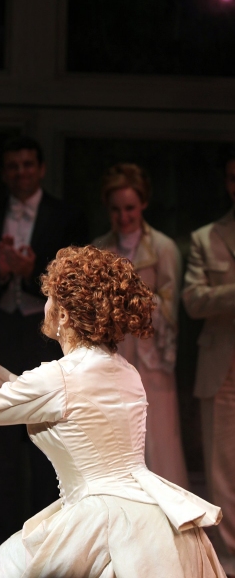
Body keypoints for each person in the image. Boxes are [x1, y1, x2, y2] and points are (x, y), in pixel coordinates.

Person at [0, 245, 225, 578]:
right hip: (147, 513)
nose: (45, 305)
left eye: (49, 298)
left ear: (64, 315)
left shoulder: (62, 376)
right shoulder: (125, 371)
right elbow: (46, 399)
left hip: (98, 518)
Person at [0, 136, 88, 555]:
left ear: (40, 169)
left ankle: (49, 543)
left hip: (47, 336)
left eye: (27, 164)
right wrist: (1, 272)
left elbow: (76, 283)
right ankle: (2, 546)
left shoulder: (66, 215)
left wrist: (33, 269)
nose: (21, 172)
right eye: (13, 166)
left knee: (47, 437)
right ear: (5, 173)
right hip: (0, 330)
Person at [93, 163, 189, 488]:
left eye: (130, 208)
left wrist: (135, 301)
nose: (123, 217)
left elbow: (170, 308)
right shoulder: (100, 248)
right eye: (116, 209)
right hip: (113, 356)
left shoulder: (163, 248)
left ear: (143, 204)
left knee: (159, 441)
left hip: (152, 359)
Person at [182, 150, 235, 560]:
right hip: (223, 365)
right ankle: (230, 556)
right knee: (222, 468)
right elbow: (193, 300)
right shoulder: (206, 237)